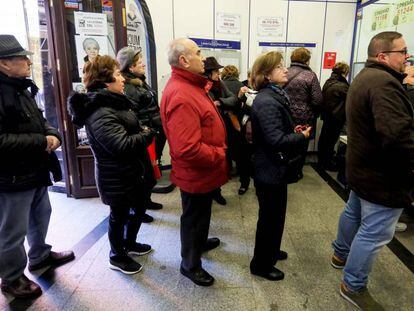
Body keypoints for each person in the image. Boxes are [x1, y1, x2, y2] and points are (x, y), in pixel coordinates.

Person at [331, 31, 413, 310]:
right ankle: (352, 285)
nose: (407, 57)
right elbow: (399, 137)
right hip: (382, 176)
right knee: (374, 233)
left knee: (353, 213)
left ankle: (340, 254)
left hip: (361, 169)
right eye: (402, 52)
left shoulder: (365, 77)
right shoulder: (385, 84)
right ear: (383, 56)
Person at [0, 35, 74, 299]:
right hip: (11, 177)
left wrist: (52, 133)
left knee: (41, 216)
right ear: (4, 64)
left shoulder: (21, 87)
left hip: (35, 170)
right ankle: (11, 278)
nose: (28, 61)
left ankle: (40, 256)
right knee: (12, 231)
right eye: (22, 58)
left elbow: (41, 119)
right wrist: (41, 140)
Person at [68, 55, 155, 275]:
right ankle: (117, 256)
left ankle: (129, 243)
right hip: (115, 176)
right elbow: (121, 145)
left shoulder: (114, 102)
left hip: (130, 172)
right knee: (119, 216)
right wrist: (146, 134)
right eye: (117, 74)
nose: (122, 78)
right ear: (106, 80)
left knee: (135, 210)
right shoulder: (100, 110)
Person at [160, 38, 228, 286]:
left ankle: (199, 243)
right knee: (193, 217)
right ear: (184, 60)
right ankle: (190, 264)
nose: (203, 57)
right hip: (196, 171)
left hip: (203, 171)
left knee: (201, 213)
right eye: (198, 53)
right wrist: (220, 154)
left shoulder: (191, 85)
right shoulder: (181, 93)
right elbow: (188, 148)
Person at [249, 51, 311, 281]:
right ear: (266, 75)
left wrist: (291, 131)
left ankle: (271, 251)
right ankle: (261, 265)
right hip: (269, 171)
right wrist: (302, 136)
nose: (285, 70)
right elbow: (275, 141)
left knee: (276, 217)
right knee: (270, 220)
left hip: (274, 169)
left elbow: (274, 133)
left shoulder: (275, 95)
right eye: (279, 67)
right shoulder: (267, 101)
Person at [116, 46, 165, 222]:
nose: (143, 63)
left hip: (153, 132)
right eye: (139, 62)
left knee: (150, 173)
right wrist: (146, 130)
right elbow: (133, 115)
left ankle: (146, 201)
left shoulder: (140, 81)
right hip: (146, 136)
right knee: (144, 174)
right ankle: (138, 209)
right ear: (130, 67)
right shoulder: (129, 86)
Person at [203, 58, 248, 201]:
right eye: (216, 71)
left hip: (228, 125)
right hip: (212, 130)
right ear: (209, 73)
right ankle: (216, 191)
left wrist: (220, 102)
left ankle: (241, 184)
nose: (219, 73)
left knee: (239, 155)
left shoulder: (220, 84)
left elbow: (233, 99)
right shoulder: (202, 87)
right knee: (217, 161)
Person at [284, 47, 322, 179]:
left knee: (286, 142)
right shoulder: (310, 75)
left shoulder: (285, 72)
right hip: (303, 118)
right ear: (306, 60)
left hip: (285, 115)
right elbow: (317, 100)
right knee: (301, 144)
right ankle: (297, 171)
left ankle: (285, 167)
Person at [221, 65, 252, 194]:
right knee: (242, 156)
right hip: (240, 126)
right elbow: (249, 106)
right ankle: (244, 184)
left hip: (223, 125)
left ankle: (226, 174)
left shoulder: (220, 86)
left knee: (225, 152)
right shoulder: (243, 86)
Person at [318, 62, 350, 171]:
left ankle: (322, 161)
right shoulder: (342, 86)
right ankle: (328, 163)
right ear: (344, 72)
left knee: (325, 140)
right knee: (330, 141)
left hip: (328, 115)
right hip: (336, 117)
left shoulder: (329, 82)